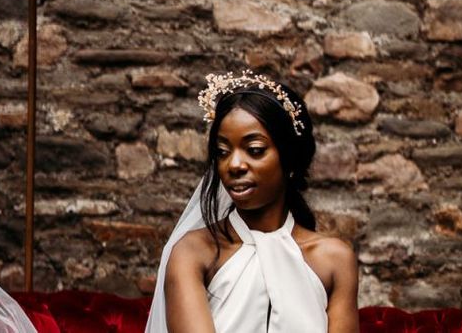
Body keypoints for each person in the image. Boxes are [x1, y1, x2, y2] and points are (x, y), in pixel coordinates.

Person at [145, 70, 359, 333]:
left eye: (254, 150)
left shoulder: (334, 260)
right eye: (222, 152)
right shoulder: (193, 252)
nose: (234, 165)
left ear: (290, 159)